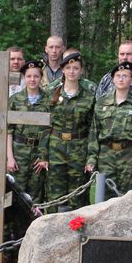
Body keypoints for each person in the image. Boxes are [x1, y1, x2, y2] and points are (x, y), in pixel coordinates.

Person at [86, 61, 132, 199]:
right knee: (105, 198)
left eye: (125, 76)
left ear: (131, 79)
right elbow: (94, 133)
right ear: (113, 79)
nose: (121, 79)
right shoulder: (102, 102)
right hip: (106, 157)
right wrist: (91, 159)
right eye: (118, 76)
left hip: (129, 157)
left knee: (128, 198)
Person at [46, 50, 95, 211]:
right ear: (63, 70)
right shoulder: (51, 93)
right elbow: (45, 126)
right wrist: (43, 154)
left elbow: (93, 128)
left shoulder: (88, 96)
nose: (72, 71)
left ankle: (77, 230)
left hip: (79, 148)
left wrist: (91, 157)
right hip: (55, 148)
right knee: (55, 194)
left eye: (75, 68)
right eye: (68, 68)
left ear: (81, 71)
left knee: (78, 194)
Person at [7, 59, 51, 203]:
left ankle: (35, 225)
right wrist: (10, 157)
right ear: (24, 78)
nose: (32, 79)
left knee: (36, 196)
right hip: (18, 153)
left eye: (36, 76)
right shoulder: (15, 100)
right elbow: (9, 131)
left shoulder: (48, 100)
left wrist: (44, 157)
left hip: (38, 154)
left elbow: (51, 131)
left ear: (41, 77)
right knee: (15, 194)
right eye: (29, 76)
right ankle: (16, 226)